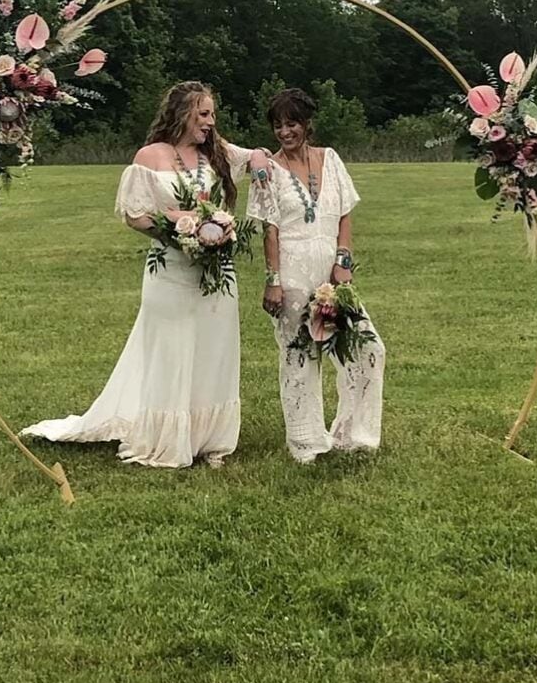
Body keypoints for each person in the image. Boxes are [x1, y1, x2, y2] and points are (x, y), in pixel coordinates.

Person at [21, 81, 270, 468]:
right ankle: (167, 437)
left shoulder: (217, 153)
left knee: (213, 349)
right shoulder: (149, 156)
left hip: (216, 272)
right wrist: (178, 227)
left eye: (213, 115)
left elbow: (255, 155)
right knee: (170, 349)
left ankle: (209, 439)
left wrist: (255, 162)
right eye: (203, 114)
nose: (210, 122)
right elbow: (135, 215)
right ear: (182, 113)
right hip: (170, 270)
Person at [247, 88, 385, 463]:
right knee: (299, 355)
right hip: (292, 270)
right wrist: (273, 280)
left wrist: (344, 260)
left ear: (307, 124)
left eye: (291, 123)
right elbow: (270, 229)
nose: (284, 132)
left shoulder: (331, 160)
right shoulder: (268, 171)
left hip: (331, 271)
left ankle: (355, 434)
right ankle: (307, 442)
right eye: (277, 125)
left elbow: (343, 213)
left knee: (368, 346)